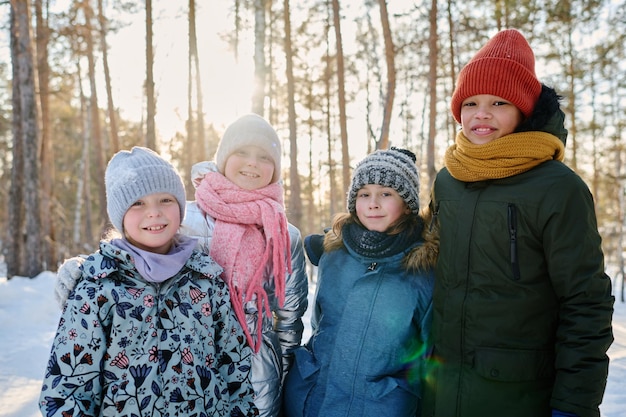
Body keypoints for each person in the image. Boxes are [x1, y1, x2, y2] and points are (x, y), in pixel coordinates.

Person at [54, 114, 309, 417]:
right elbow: (136, 253)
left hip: (256, 370)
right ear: (224, 158)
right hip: (188, 358)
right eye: (242, 152)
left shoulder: (284, 233)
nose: (252, 163)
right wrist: (84, 267)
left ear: (276, 168)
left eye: (264, 156)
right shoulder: (187, 217)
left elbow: (289, 316)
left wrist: (285, 375)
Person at [421, 29, 614, 417]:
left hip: (521, 397)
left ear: (524, 110)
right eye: (471, 102)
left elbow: (585, 303)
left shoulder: (559, 188)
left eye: (499, 102)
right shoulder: (448, 179)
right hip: (441, 392)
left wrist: (573, 404)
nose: (481, 114)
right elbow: (422, 258)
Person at [40, 147, 258, 417]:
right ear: (119, 215)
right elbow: (68, 391)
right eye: (138, 203)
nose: (154, 212)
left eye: (165, 200)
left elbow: (234, 369)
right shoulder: (98, 288)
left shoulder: (207, 281)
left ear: (180, 207)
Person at [283, 147, 438, 417]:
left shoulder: (422, 270)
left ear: (407, 203)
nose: (372, 203)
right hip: (313, 400)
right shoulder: (334, 256)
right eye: (364, 194)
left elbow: (426, 358)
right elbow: (321, 325)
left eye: (386, 194)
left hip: (379, 406)